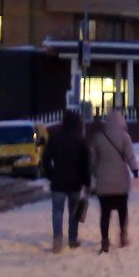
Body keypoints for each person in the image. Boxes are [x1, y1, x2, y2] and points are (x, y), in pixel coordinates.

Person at [89, 108, 139, 253]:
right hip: (121, 182)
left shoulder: (99, 137)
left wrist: (91, 174)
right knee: (122, 210)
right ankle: (123, 235)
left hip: (103, 182)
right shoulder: (125, 137)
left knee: (105, 213)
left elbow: (92, 160)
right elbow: (130, 156)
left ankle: (105, 240)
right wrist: (135, 171)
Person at [42, 109, 90, 254]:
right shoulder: (80, 140)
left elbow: (45, 158)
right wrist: (86, 182)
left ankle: (57, 238)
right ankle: (73, 239)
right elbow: (85, 164)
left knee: (57, 211)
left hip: (58, 181)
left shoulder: (55, 137)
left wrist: (50, 174)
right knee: (74, 212)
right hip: (75, 182)